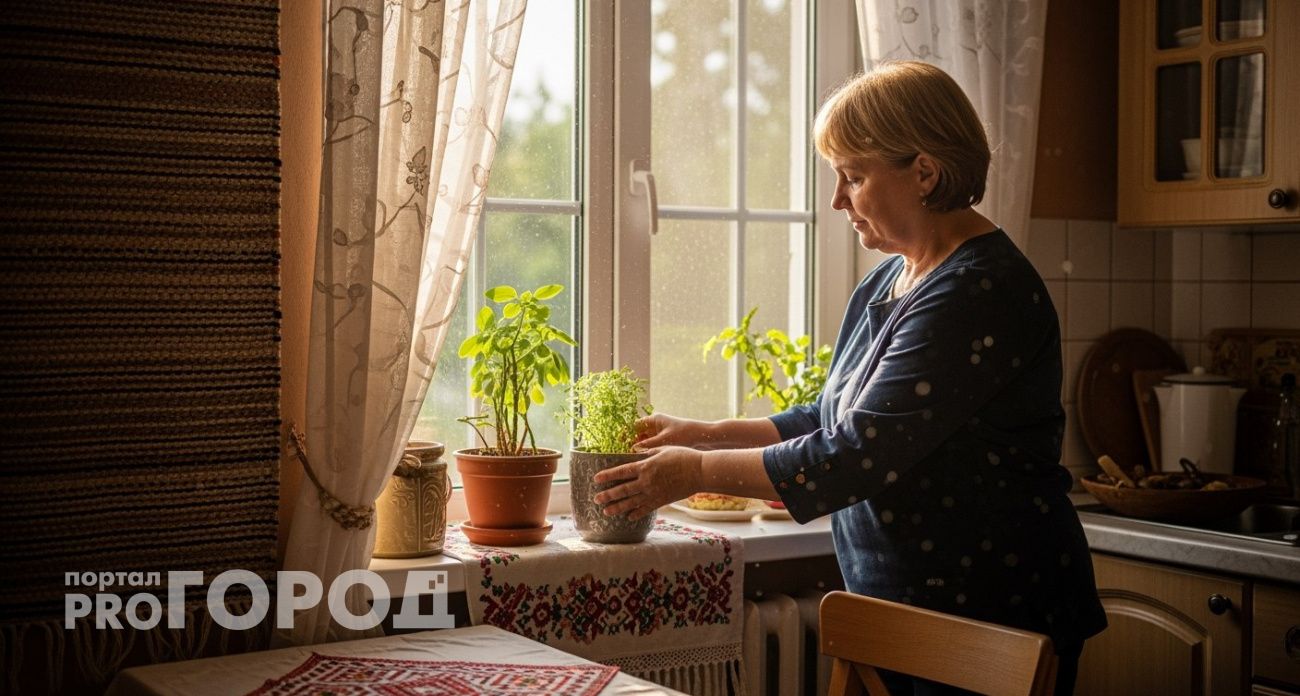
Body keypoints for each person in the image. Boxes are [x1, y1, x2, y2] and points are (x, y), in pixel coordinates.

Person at [594, 60, 1106, 695]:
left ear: (924, 171)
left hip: (993, 612)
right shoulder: (893, 278)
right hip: (907, 606)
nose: (837, 199)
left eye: (854, 176)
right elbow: (831, 417)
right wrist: (705, 434)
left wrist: (692, 472)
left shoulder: (979, 290)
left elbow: (855, 454)